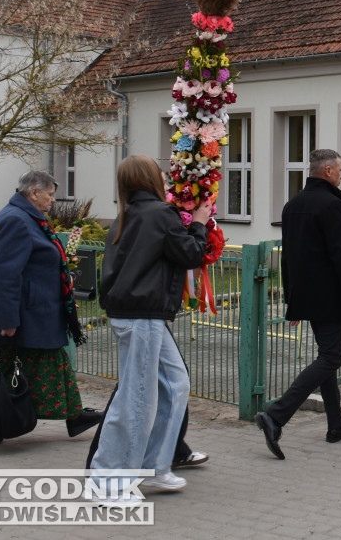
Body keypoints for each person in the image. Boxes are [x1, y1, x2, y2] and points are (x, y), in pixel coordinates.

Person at [89, 156, 210, 501]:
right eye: (160, 172)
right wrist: (199, 223)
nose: (165, 176)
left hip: (139, 313)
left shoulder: (131, 215)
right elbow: (189, 254)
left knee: (175, 385)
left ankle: (154, 466)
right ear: (149, 178)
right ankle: (107, 483)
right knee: (137, 399)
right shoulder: (159, 214)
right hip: (142, 315)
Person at [0, 170, 102, 445]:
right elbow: (6, 276)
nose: (52, 200)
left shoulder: (27, 218)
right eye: (49, 195)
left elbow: (34, 264)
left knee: (54, 363)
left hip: (34, 313)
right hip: (17, 316)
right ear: (33, 193)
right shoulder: (16, 221)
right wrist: (7, 320)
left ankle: (74, 416)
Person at [255, 149, 341, 459]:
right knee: (331, 358)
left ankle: (336, 424)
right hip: (331, 297)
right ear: (328, 172)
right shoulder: (332, 205)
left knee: (327, 357)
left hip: (307, 295)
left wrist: (291, 301)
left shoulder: (292, 205)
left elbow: (287, 256)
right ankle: (276, 415)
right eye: (340, 170)